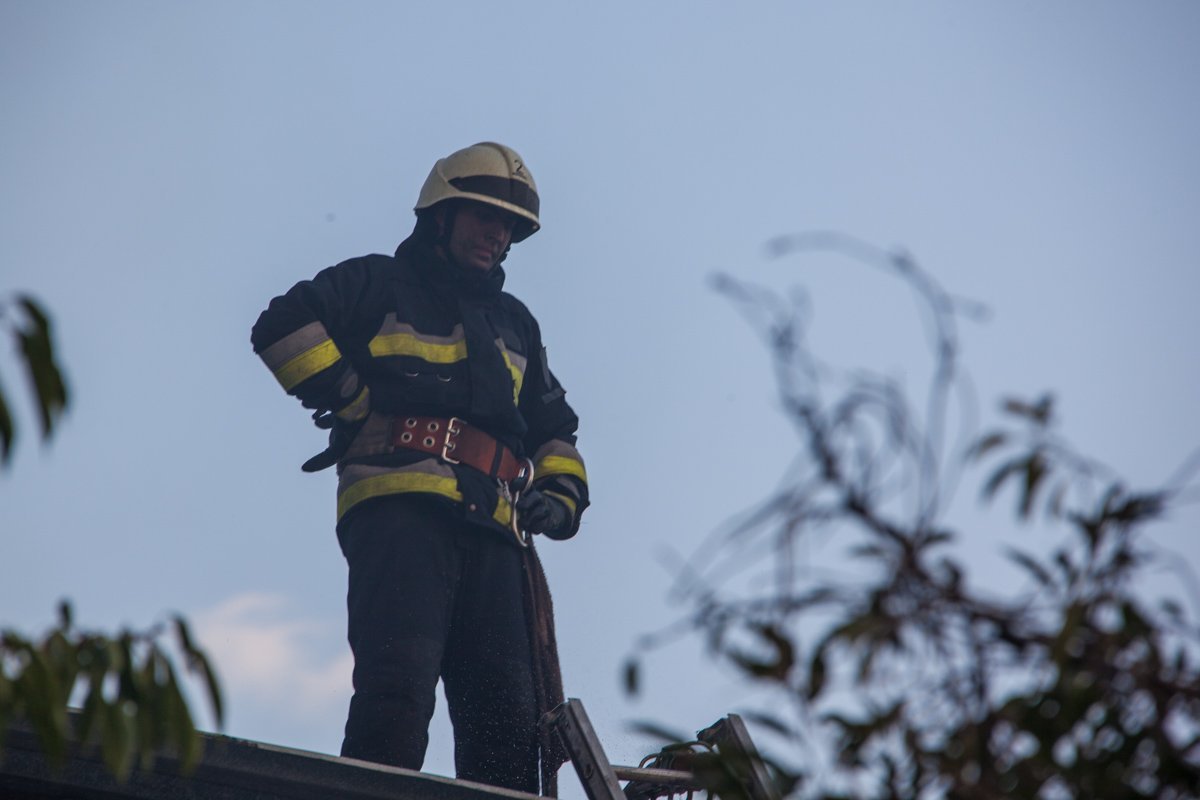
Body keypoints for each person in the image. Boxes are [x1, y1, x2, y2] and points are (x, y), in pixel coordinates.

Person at [250, 142, 588, 793]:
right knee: (396, 692)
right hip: (400, 513)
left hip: (495, 532)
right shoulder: (375, 283)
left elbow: (555, 430)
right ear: (441, 216)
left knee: (507, 720)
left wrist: (560, 496)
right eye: (484, 218)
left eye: (508, 226)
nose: (496, 234)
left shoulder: (514, 323)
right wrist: (349, 395)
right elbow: (283, 326)